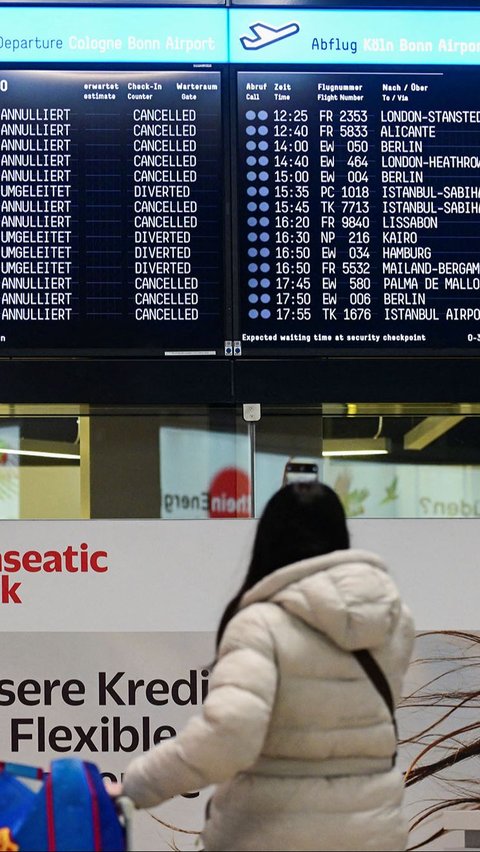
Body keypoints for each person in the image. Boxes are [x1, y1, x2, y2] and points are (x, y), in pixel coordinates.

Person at [118, 482, 415, 851]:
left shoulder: (259, 624)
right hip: (374, 835)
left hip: (272, 836)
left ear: (268, 540)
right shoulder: (394, 621)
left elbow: (227, 738)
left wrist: (135, 786)